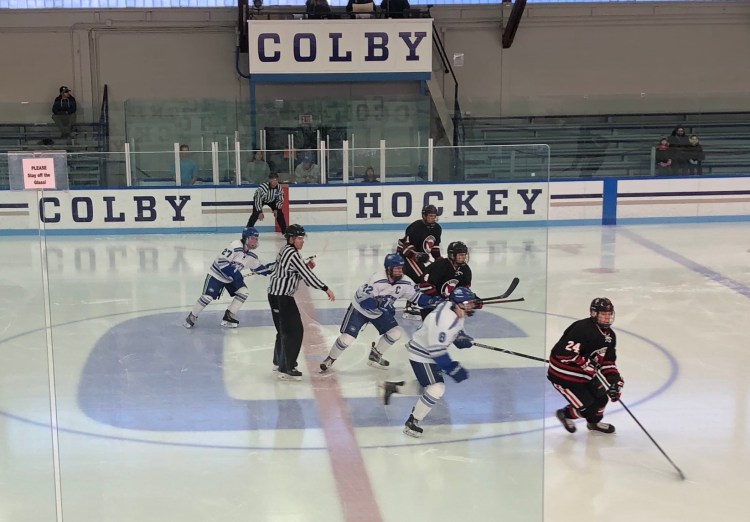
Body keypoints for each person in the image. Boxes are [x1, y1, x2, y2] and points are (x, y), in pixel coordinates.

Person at [379, 287, 478, 438]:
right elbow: (436, 351)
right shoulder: (444, 320)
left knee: (425, 386)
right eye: (468, 303)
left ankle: (391, 388)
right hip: (422, 354)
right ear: (458, 304)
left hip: (427, 350)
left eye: (471, 302)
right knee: (436, 388)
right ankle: (412, 422)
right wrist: (453, 369)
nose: (471, 306)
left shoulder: (455, 310)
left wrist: (461, 338)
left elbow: (455, 332)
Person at [319, 253, 440, 373]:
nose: (399, 271)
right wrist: (381, 306)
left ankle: (375, 355)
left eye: (401, 268)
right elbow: (364, 302)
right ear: (388, 269)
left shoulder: (406, 282)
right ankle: (330, 359)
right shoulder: (377, 279)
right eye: (396, 269)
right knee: (347, 338)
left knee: (396, 332)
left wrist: (431, 301)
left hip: (379, 313)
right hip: (359, 310)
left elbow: (416, 297)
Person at [268, 224, 335, 381]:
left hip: (274, 295)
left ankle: (279, 362)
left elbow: (293, 273)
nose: (302, 241)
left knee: (283, 331)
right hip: (283, 298)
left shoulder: (285, 250)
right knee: (295, 332)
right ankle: (287, 367)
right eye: (299, 238)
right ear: (291, 239)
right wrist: (325, 288)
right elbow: (306, 277)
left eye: (302, 238)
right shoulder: (293, 254)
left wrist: (306, 267)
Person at [548, 297, 624, 434]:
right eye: (603, 314)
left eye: (609, 314)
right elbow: (562, 353)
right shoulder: (582, 328)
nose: (607, 318)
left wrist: (614, 381)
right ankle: (565, 414)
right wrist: (584, 363)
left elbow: (608, 362)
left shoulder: (610, 336)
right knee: (589, 409)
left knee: (602, 399)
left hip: (585, 376)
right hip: (565, 377)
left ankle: (593, 423)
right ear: (594, 314)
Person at [184, 227, 274, 330]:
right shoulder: (234, 246)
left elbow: (258, 268)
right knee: (207, 297)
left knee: (243, 292)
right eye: (252, 238)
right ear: (245, 238)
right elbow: (221, 262)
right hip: (217, 275)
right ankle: (192, 317)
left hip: (230, 279)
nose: (255, 241)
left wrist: (270, 268)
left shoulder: (251, 256)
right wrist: (235, 274)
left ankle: (228, 317)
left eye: (256, 239)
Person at [397, 204, 442, 319]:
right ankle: (411, 307)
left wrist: (439, 260)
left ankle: (415, 303)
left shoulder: (437, 228)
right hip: (405, 256)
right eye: (430, 216)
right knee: (421, 276)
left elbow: (434, 246)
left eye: (434, 216)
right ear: (424, 216)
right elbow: (404, 246)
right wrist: (417, 255)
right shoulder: (416, 227)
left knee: (428, 276)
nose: (433, 218)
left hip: (418, 257)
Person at [417, 241, 478, 320]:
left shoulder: (465, 270)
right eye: (460, 255)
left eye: (464, 254)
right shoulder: (439, 266)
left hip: (450, 308)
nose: (463, 257)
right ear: (452, 255)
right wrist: (437, 299)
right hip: (431, 306)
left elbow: (463, 290)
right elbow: (425, 286)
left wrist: (472, 299)